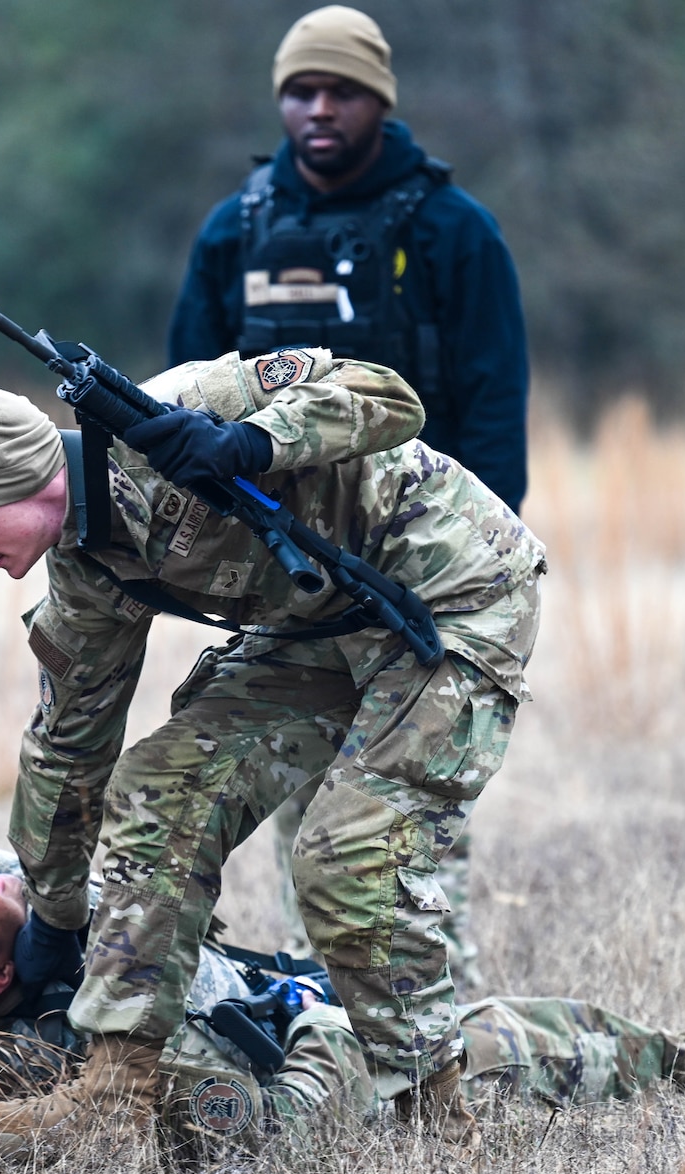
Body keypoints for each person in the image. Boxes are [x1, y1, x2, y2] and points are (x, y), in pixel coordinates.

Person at [0, 342, 542, 1147]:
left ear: (23, 483)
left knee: (344, 859)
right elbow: (66, 749)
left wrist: (254, 441)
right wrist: (54, 918)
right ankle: (112, 1099)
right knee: (159, 785)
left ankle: (440, 1119)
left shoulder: (184, 410)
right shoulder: (86, 574)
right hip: (329, 625)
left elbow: (389, 396)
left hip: (455, 593)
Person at [167, 6, 533, 990]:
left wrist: (470, 562)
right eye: (299, 91)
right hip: (282, 577)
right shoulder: (233, 231)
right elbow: (183, 404)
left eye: (339, 91)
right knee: (302, 816)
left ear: (380, 99)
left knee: (405, 820)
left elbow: (494, 406)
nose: (317, 110)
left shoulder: (453, 233)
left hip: (417, 570)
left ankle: (433, 1024)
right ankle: (328, 1015)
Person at [0, 852, 685, 1155]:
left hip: (285, 993)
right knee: (537, 1036)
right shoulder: (109, 1039)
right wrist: (321, 1026)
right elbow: (280, 1137)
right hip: (354, 1080)